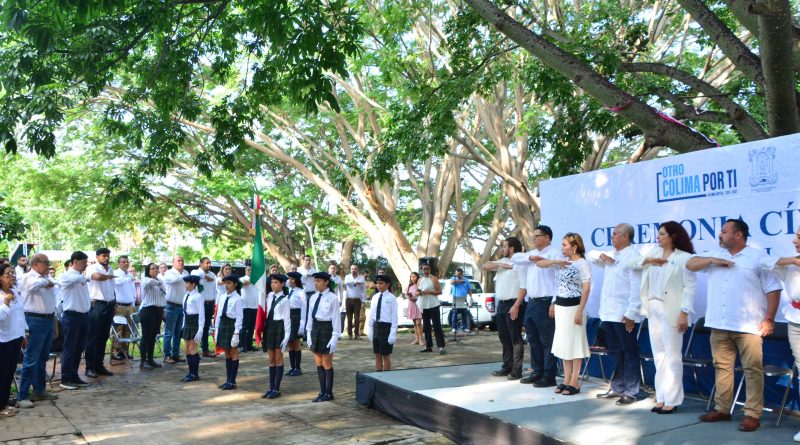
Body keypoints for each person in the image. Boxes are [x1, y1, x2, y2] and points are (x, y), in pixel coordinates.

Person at [688, 219, 782, 432]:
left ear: (738, 235)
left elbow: (773, 289)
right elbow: (690, 264)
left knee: (752, 370)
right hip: (718, 323)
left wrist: (769, 318)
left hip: (749, 326)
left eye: (724, 231)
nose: (720, 235)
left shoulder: (758, 257)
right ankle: (722, 409)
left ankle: (752, 414)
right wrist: (712, 259)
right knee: (722, 368)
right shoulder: (715, 254)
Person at [629, 221, 696, 414]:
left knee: (672, 356)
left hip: (671, 309)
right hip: (653, 308)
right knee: (659, 355)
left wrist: (684, 312)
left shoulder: (684, 257)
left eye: (662, 234)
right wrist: (648, 260)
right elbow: (630, 263)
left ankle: (673, 400)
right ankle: (661, 396)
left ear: (673, 236)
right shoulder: (654, 253)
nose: (658, 237)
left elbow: (689, 288)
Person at [590, 223, 643, 405]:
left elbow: (636, 287)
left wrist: (631, 313)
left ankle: (631, 391)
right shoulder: (611, 255)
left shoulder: (633, 257)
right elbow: (590, 255)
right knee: (616, 352)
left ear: (625, 236)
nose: (611, 237)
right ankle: (617, 387)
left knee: (629, 352)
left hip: (624, 314)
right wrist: (600, 255)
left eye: (615, 234)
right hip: (608, 313)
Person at [537, 233, 591, 395]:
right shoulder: (560, 262)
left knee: (575, 344)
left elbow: (586, 289)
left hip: (575, 307)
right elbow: (540, 263)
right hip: (561, 307)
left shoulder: (582, 264)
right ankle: (566, 380)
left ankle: (575, 380)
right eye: (562, 244)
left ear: (574, 247)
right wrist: (556, 262)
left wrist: (580, 310)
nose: (562, 248)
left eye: (565, 245)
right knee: (564, 344)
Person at [760, 226, 800, 441]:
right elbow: (767, 263)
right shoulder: (792, 263)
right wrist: (794, 260)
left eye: (799, 237)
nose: (794, 241)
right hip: (795, 320)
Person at [511, 225, 561, 387]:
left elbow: (559, 281)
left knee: (547, 340)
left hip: (546, 302)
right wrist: (531, 258)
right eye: (533, 236)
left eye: (537, 236)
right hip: (531, 302)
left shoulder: (555, 254)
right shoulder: (531, 254)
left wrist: (554, 301)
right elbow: (515, 258)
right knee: (533, 339)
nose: (534, 239)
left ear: (547, 237)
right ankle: (537, 371)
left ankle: (549, 375)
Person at [17, 253, 59, 406]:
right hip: (34, 320)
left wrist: (54, 324)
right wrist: (45, 281)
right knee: (31, 359)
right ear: (35, 264)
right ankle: (22, 395)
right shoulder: (27, 277)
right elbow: (32, 286)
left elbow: (53, 297)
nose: (48, 265)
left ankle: (39, 390)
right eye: (45, 262)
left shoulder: (47, 278)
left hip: (48, 319)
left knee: (42, 358)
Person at [483, 237, 525, 379]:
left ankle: (516, 370)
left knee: (515, 338)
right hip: (501, 305)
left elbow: (524, 287)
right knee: (504, 338)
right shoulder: (503, 261)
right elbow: (485, 266)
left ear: (512, 248)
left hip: (513, 304)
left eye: (504, 246)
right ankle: (507, 366)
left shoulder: (520, 263)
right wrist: (502, 265)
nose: (502, 249)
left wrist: (516, 305)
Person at [305, 271, 342, 402]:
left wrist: (335, 336)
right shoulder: (313, 297)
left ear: (326, 282)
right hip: (315, 328)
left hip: (327, 328)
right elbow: (310, 316)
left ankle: (328, 393)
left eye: (319, 281)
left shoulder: (332, 298)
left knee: (326, 361)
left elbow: (336, 318)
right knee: (318, 362)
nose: (316, 283)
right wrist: (308, 332)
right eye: (315, 281)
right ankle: (322, 391)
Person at [57, 251, 92, 389]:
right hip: (71, 316)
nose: (86, 265)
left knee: (79, 348)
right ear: (75, 262)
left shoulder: (79, 276)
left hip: (84, 316)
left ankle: (74, 375)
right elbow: (65, 281)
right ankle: (65, 378)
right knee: (70, 348)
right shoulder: (66, 275)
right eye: (84, 262)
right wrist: (84, 277)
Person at [85, 248, 116, 379]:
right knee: (93, 337)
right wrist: (108, 277)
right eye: (104, 256)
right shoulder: (92, 268)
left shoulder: (110, 269)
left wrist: (114, 302)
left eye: (108, 256)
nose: (106, 258)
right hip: (97, 305)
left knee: (104, 337)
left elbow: (112, 288)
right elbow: (96, 277)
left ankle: (99, 365)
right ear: (97, 256)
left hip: (109, 305)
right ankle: (90, 367)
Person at [0, 263, 27, 416]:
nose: (12, 276)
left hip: (15, 337)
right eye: (8, 274)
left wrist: (23, 334)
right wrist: (5, 303)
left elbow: (20, 314)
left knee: (10, 373)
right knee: (2, 373)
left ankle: (4, 403)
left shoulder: (15, 291)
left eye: (13, 273)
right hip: (3, 339)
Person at [261, 274, 292, 398]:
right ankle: (271, 387)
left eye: (276, 282)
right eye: (272, 282)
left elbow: (287, 319)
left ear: (282, 284)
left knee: (278, 358)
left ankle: (276, 389)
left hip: (279, 327)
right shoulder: (269, 296)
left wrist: (287, 336)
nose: (273, 285)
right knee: (271, 359)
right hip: (269, 326)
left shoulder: (285, 299)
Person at [215, 274, 243, 390]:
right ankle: (228, 380)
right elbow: (218, 314)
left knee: (233, 352)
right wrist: (216, 329)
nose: (226, 285)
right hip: (223, 324)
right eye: (225, 283)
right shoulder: (222, 297)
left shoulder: (238, 298)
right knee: (226, 352)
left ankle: (232, 381)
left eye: (229, 283)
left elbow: (239, 317)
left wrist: (236, 333)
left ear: (235, 284)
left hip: (232, 325)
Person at [367, 274, 398, 372]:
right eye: (377, 283)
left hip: (386, 327)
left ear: (387, 284)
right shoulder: (375, 297)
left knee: (385, 354)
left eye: (381, 283)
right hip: (377, 326)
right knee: (377, 353)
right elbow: (372, 313)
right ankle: (378, 374)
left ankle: (386, 376)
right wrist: (370, 328)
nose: (378, 285)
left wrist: (393, 332)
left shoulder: (391, 298)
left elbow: (394, 316)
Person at [139, 263, 165, 369]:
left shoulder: (160, 281)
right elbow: (150, 282)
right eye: (152, 269)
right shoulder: (145, 279)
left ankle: (150, 359)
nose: (155, 270)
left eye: (156, 268)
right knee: (146, 336)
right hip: (147, 310)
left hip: (158, 310)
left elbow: (164, 292)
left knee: (153, 336)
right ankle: (143, 361)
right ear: (148, 271)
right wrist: (159, 282)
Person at [162, 256, 188, 364]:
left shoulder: (185, 272)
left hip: (182, 306)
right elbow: (174, 280)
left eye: (182, 261)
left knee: (178, 332)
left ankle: (175, 354)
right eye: (178, 261)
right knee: (169, 332)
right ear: (173, 262)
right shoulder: (169, 273)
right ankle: (167, 355)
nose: (181, 262)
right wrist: (183, 276)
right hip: (171, 306)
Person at [179, 275, 204, 383]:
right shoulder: (186, 296)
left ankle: (194, 374)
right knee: (187, 350)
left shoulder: (198, 297)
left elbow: (201, 314)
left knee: (192, 349)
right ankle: (190, 373)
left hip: (195, 323)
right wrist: (183, 325)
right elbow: (184, 313)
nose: (185, 285)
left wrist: (200, 330)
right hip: (187, 323)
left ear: (193, 284)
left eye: (187, 283)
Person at [192, 257, 218, 358]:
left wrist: (214, 302)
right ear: (200, 264)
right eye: (207, 263)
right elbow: (197, 275)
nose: (209, 265)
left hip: (210, 303)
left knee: (206, 327)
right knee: (197, 327)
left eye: (210, 263)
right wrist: (205, 277)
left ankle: (205, 350)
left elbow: (214, 290)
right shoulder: (195, 272)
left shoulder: (212, 274)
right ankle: (193, 350)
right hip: (200, 304)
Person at [112, 255, 137, 360]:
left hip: (129, 305)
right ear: (119, 263)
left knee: (128, 330)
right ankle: (115, 351)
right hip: (120, 306)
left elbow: (132, 290)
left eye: (127, 262)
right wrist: (128, 278)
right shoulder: (116, 273)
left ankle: (124, 351)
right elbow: (117, 282)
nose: (126, 263)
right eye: (123, 262)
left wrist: (133, 304)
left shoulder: (129, 275)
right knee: (118, 329)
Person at [417, 263, 446, 354]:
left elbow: (440, 292)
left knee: (437, 325)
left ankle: (441, 346)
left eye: (427, 269)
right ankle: (428, 346)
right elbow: (418, 290)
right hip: (424, 305)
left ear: (429, 270)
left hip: (433, 304)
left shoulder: (433, 278)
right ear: (421, 270)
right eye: (424, 269)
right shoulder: (420, 280)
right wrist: (418, 293)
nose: (426, 271)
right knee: (426, 326)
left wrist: (429, 292)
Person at [285, 271, 307, 376]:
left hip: (296, 317)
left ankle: (298, 368)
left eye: (292, 279)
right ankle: (292, 367)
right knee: (289, 343)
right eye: (289, 279)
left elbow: (304, 309)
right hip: (288, 317)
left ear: (296, 280)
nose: (289, 281)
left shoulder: (301, 292)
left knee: (296, 343)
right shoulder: (288, 291)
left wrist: (302, 325)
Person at [240, 264, 259, 353]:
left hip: (255, 306)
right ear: (245, 271)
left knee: (252, 327)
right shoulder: (242, 278)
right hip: (246, 306)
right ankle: (242, 345)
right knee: (244, 327)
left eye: (252, 270)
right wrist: (253, 279)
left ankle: (249, 345)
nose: (250, 271)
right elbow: (243, 283)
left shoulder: (258, 279)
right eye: (248, 270)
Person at [344, 264, 365, 340]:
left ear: (357, 270)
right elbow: (347, 283)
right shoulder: (347, 277)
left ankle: (357, 334)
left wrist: (363, 301)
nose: (353, 270)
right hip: (349, 300)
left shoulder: (361, 277)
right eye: (352, 269)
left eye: (355, 269)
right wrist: (357, 282)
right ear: (350, 270)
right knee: (349, 318)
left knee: (357, 318)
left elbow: (363, 290)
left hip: (357, 300)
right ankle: (350, 334)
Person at [449, 268, 472, 333]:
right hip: (456, 298)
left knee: (464, 313)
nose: (457, 275)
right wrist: (459, 281)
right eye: (457, 274)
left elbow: (469, 289)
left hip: (464, 298)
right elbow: (451, 282)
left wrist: (471, 298)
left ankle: (465, 328)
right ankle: (454, 328)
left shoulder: (466, 280)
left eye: (459, 274)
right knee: (455, 313)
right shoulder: (454, 278)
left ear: (462, 274)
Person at [405, 272, 423, 345]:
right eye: (411, 277)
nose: (413, 278)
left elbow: (421, 294)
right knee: (415, 323)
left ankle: (421, 339)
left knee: (418, 323)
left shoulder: (420, 285)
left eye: (414, 276)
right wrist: (409, 297)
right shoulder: (409, 286)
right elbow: (406, 294)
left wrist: (416, 298)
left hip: (418, 305)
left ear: (417, 277)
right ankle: (416, 339)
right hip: (411, 304)